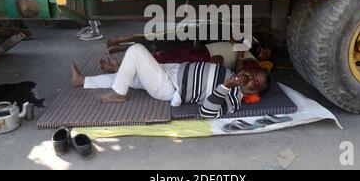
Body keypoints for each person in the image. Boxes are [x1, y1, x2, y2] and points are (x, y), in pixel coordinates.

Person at [71, 44, 271, 119]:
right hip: (173, 71)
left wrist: (227, 85)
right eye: (253, 73)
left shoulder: (233, 99)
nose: (251, 77)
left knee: (136, 51)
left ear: (255, 93)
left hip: (169, 87)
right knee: (128, 76)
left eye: (256, 82)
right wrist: (216, 66)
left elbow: (207, 112)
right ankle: (82, 80)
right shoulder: (229, 71)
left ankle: (118, 95)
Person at [102, 36, 272, 73]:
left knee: (163, 61)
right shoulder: (247, 45)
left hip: (205, 59)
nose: (262, 51)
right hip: (199, 50)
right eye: (265, 48)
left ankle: (120, 68)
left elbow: (240, 73)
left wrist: (240, 53)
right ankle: (123, 62)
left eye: (266, 54)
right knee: (163, 53)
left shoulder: (252, 61)